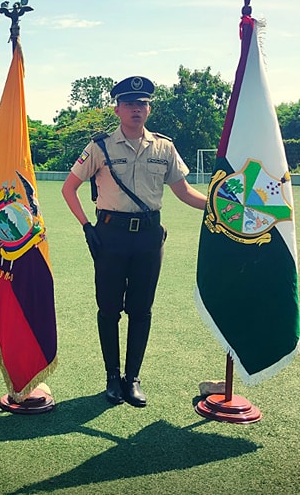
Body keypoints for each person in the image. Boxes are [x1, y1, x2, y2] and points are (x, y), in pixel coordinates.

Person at [61, 76, 206, 408]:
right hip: (110, 235)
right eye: (129, 104)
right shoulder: (99, 147)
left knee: (141, 309)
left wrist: (217, 205)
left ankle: (133, 378)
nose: (136, 109)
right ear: (117, 110)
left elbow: (184, 191)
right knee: (109, 308)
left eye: (141, 104)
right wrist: (86, 226)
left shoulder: (164, 148)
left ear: (149, 109)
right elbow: (69, 189)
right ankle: (112, 377)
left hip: (149, 238)